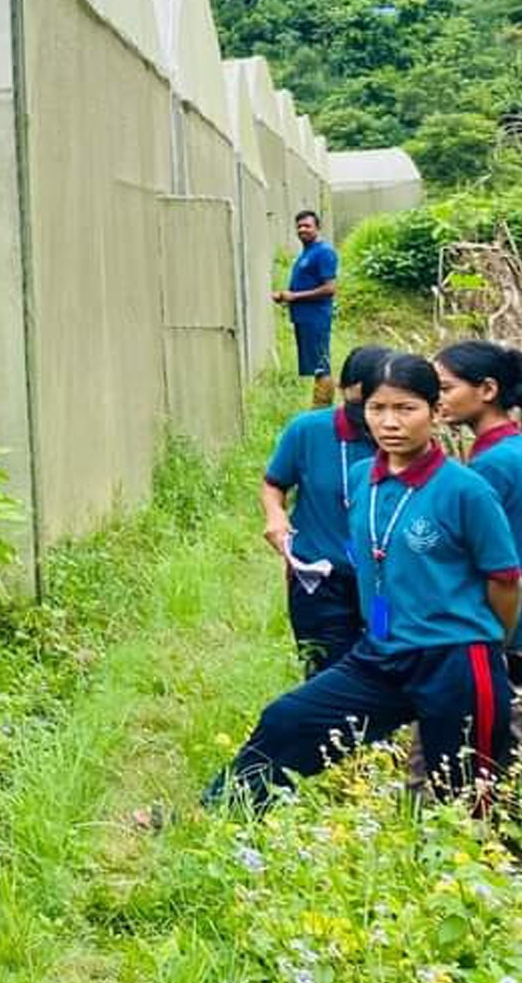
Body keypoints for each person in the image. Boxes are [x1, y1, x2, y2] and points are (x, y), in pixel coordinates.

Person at [209, 353, 520, 809]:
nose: (390, 422)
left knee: (462, 795)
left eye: (406, 408)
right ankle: (216, 816)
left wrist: (484, 641)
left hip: (454, 659)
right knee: (288, 720)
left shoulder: (466, 489)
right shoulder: (361, 480)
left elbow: (505, 581)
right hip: (381, 653)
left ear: (435, 413)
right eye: (379, 409)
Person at [260, 344, 391, 673]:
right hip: (320, 579)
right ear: (344, 391)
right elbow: (274, 483)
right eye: (361, 406)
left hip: (383, 585)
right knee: (326, 673)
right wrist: (276, 515)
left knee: (382, 667)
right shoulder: (308, 431)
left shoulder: (403, 440)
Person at [435, 340, 522, 743]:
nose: (438, 400)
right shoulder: (510, 450)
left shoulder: (490, 466)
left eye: (446, 388)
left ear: (487, 390)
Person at [272, 210, 340, 407]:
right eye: (299, 226)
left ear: (317, 228)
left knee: (321, 364)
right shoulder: (306, 253)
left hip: (316, 317)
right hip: (304, 317)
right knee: (315, 364)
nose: (302, 229)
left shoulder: (324, 252)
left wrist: (294, 296)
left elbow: (330, 288)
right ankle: (318, 407)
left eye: (307, 226)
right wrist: (285, 295)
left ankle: (321, 408)